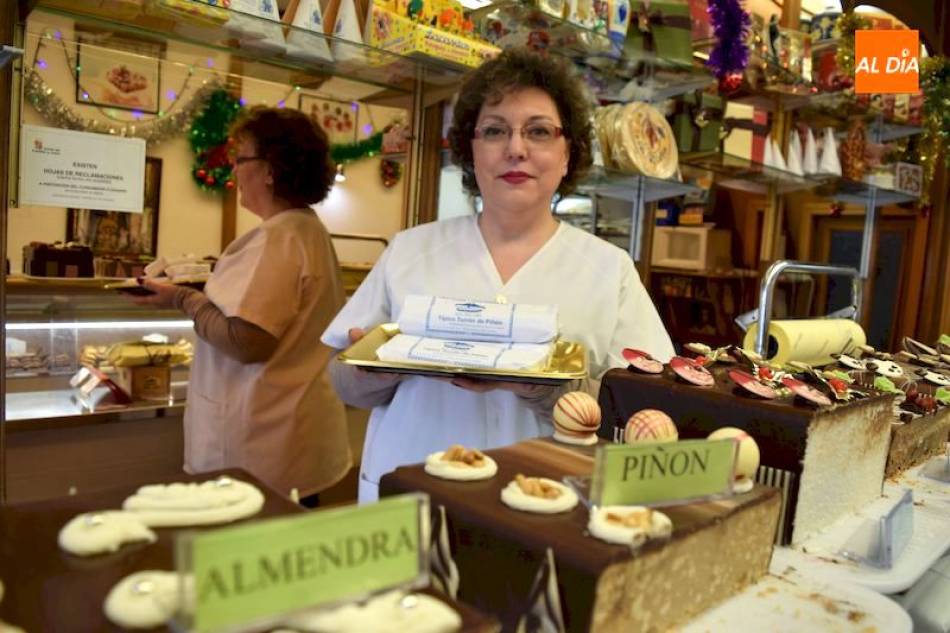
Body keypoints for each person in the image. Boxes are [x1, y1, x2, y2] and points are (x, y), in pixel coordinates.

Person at [321, 49, 674, 503]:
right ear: (471, 150)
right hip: (409, 490)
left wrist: (543, 388)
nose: (516, 148)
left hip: (548, 499)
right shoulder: (410, 250)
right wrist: (375, 366)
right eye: (494, 130)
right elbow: (343, 384)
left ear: (569, 153)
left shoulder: (609, 270)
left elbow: (641, 411)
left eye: (539, 131)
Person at [135, 106, 351, 506]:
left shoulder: (278, 238)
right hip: (293, 432)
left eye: (241, 159)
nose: (234, 170)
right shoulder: (306, 229)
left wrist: (182, 298)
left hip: (263, 443)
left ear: (270, 169)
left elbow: (247, 341)